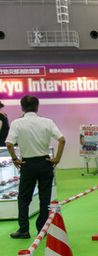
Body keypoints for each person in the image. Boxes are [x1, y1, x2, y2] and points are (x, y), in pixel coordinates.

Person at [5, 95, 65, 239]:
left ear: (22, 107)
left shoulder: (17, 123)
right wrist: (57, 158)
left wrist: (14, 158)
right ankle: (42, 229)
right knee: (45, 198)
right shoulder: (47, 122)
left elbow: (9, 143)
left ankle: (24, 229)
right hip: (45, 162)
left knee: (24, 198)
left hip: (27, 164)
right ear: (38, 107)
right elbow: (62, 139)